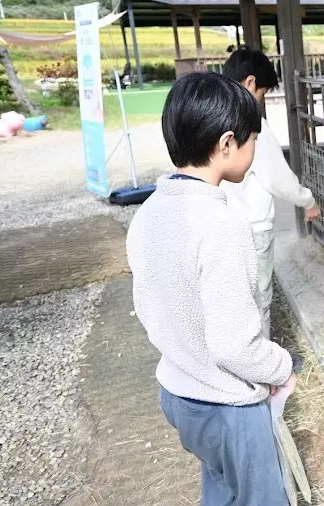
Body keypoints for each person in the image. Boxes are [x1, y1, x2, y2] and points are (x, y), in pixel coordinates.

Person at [127, 72, 295, 505]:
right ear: (226, 144)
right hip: (226, 407)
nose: (254, 151)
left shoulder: (149, 212)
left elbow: (150, 305)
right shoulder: (223, 226)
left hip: (179, 393)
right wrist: (281, 366)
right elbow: (234, 347)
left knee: (220, 487)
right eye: (252, 139)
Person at [220, 47, 321, 339]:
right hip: (253, 227)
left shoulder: (213, 115)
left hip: (222, 222)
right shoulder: (252, 125)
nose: (260, 100)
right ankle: (261, 369)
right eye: (263, 92)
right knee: (258, 299)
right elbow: (277, 177)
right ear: (250, 83)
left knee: (233, 299)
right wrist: (308, 200)